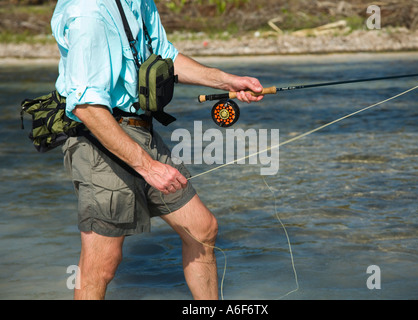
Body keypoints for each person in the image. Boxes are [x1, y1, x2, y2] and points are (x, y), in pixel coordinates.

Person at [51, 0, 264, 300]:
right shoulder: (89, 11)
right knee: (103, 264)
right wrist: (149, 167)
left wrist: (227, 80)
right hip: (98, 134)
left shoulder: (141, 2)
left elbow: (166, 56)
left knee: (202, 229)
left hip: (141, 129)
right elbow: (86, 106)